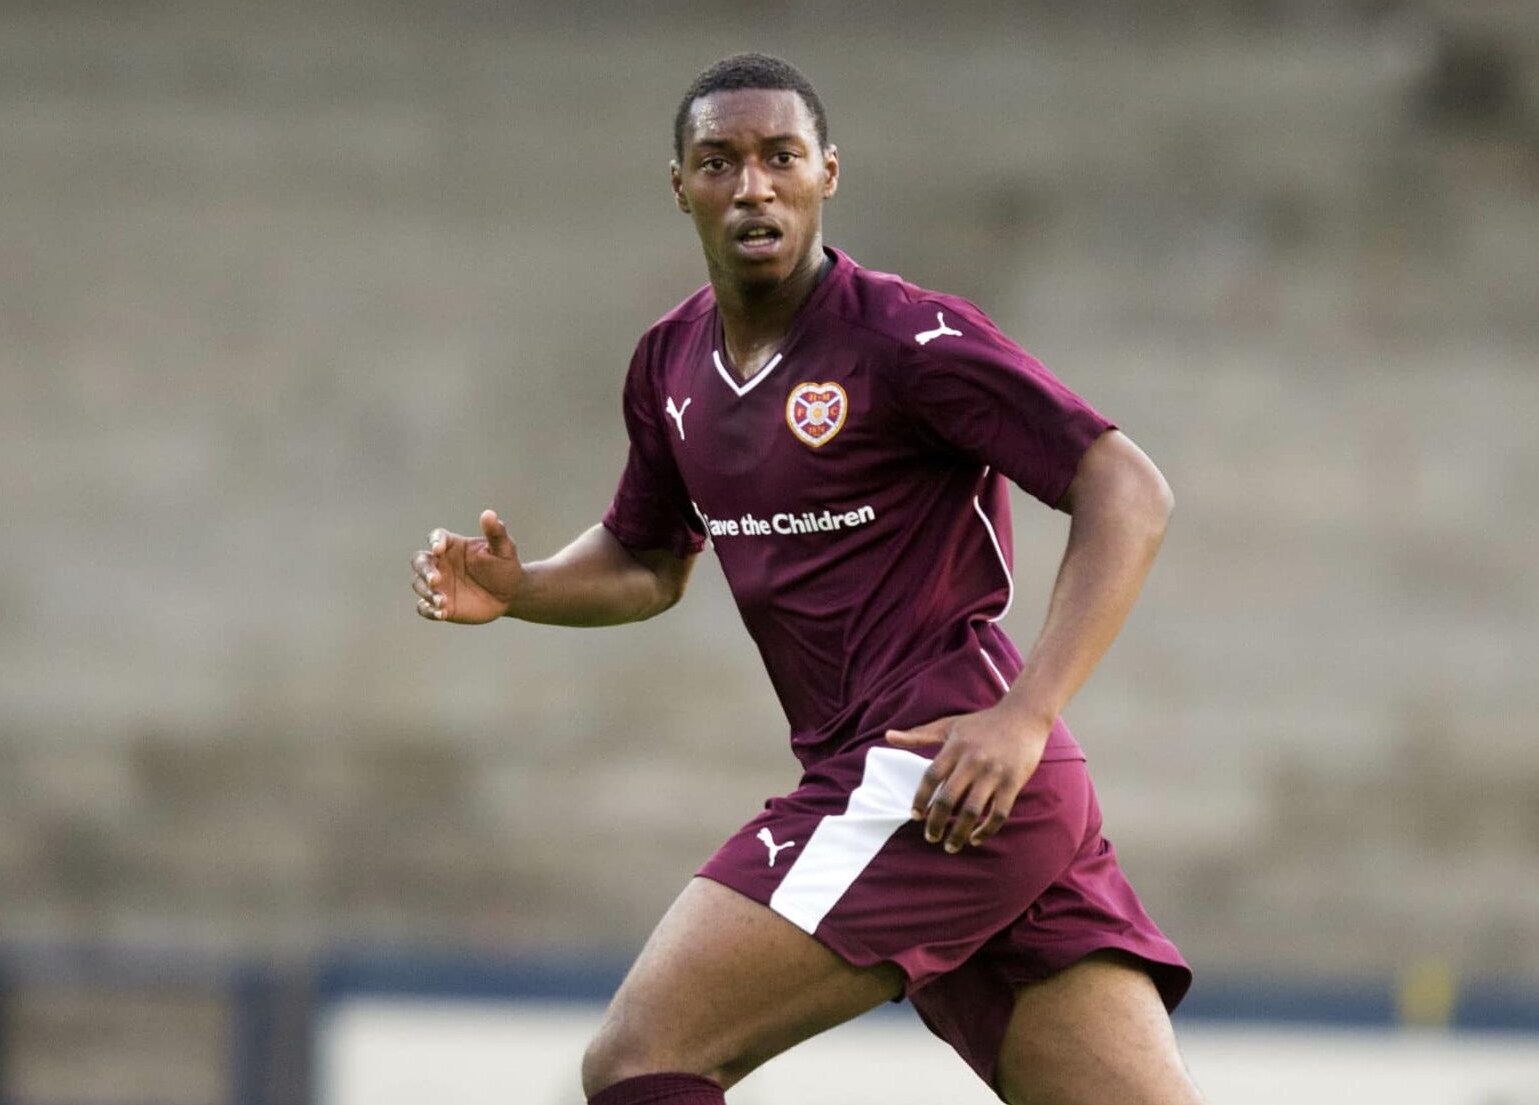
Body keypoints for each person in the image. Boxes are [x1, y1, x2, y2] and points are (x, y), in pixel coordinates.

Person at [410, 53, 1204, 1105]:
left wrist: (1026, 711)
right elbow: (649, 562)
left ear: (827, 172)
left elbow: (1128, 489)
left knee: (643, 1057)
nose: (752, 185)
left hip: (934, 762)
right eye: (719, 161)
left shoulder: (906, 339)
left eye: (779, 157)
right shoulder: (669, 364)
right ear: (680, 184)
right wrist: (526, 589)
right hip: (972, 797)